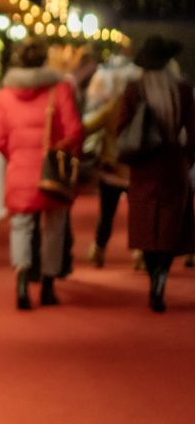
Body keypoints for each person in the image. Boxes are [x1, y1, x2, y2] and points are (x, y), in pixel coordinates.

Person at [0, 38, 82, 310]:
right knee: (54, 226)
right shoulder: (59, 89)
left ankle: (21, 281)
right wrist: (61, 150)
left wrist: (15, 155)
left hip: (19, 170)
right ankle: (48, 286)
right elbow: (74, 130)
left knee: (21, 226)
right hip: (51, 170)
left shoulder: (5, 95)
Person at [115, 36, 195, 313]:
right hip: (174, 167)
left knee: (146, 227)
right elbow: (193, 133)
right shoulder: (182, 90)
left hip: (143, 167)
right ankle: (162, 273)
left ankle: (154, 278)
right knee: (170, 227)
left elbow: (121, 127)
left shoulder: (134, 90)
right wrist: (187, 159)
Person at [83, 60, 138, 267]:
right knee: (137, 215)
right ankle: (140, 253)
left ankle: (99, 249)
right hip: (134, 170)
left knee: (106, 214)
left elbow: (90, 126)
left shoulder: (113, 106)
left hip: (111, 168)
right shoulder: (141, 108)